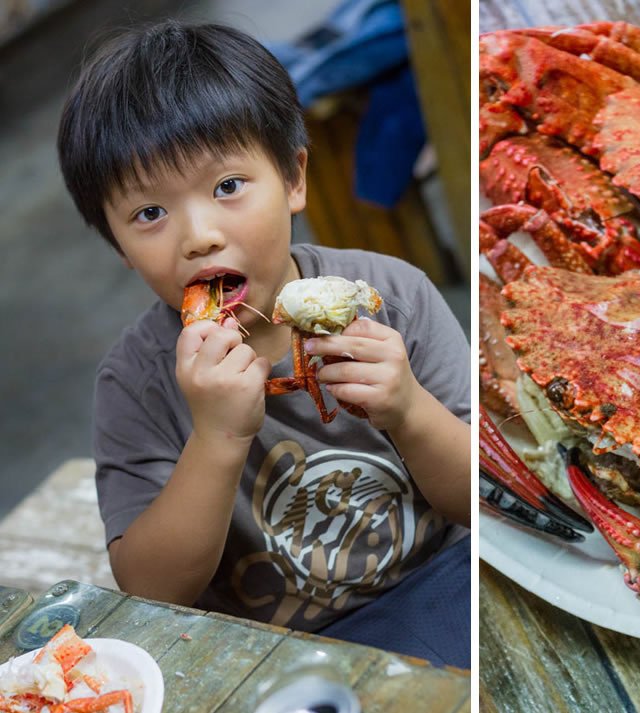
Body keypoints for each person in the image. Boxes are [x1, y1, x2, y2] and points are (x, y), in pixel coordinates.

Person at [57, 19, 471, 667]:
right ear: (120, 248)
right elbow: (151, 589)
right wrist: (216, 438)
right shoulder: (136, 380)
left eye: (227, 186)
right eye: (149, 213)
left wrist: (410, 408)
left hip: (437, 587)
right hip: (269, 652)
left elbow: (486, 497)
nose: (198, 236)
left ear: (294, 178)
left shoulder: (395, 297)